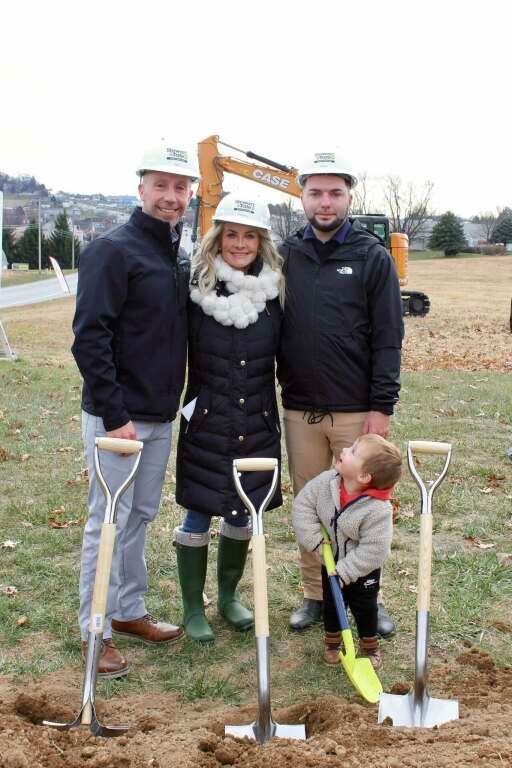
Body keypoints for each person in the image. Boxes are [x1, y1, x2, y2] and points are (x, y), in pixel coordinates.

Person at [71, 142, 199, 677]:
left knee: (140, 515)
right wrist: (114, 412)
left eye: (181, 187)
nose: (171, 197)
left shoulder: (178, 255)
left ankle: (126, 611)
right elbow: (89, 337)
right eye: (161, 185)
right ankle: (94, 630)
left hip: (161, 413)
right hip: (116, 416)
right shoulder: (113, 251)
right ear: (140, 186)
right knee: (107, 520)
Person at [277, 150, 404, 634]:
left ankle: (367, 596)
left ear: (349, 195)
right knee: (312, 504)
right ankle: (315, 595)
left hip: (356, 415)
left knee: (364, 507)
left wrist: (381, 408)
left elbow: (388, 337)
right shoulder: (287, 254)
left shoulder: (372, 257)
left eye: (334, 193)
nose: (325, 203)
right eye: (315, 193)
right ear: (302, 197)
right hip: (299, 410)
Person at [174, 194, 283, 643]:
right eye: (231, 234)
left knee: (242, 511)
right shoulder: (195, 287)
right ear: (218, 237)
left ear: (261, 242)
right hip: (207, 418)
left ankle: (228, 596)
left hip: (256, 417)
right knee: (199, 511)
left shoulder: (276, 292)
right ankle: (190, 606)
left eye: (249, 236)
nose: (240, 244)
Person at [292, 434, 402, 668]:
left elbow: (375, 550)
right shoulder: (326, 483)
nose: (343, 450)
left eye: (353, 451)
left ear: (363, 476)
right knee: (332, 603)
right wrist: (314, 541)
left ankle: (369, 645)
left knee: (365, 607)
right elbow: (303, 506)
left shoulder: (377, 510)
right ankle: (333, 643)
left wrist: (345, 571)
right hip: (330, 561)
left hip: (362, 569)